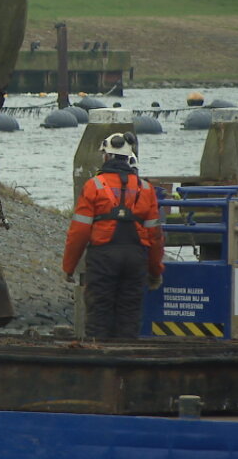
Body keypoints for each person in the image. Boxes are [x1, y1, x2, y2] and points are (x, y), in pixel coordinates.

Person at [62, 132, 164, 339]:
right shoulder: (146, 188)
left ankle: (98, 361)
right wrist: (155, 271)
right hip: (136, 258)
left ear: (106, 156)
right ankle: (126, 363)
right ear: (130, 158)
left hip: (103, 257)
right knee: (129, 315)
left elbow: (79, 232)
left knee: (99, 313)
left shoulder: (94, 186)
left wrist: (69, 267)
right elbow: (155, 237)